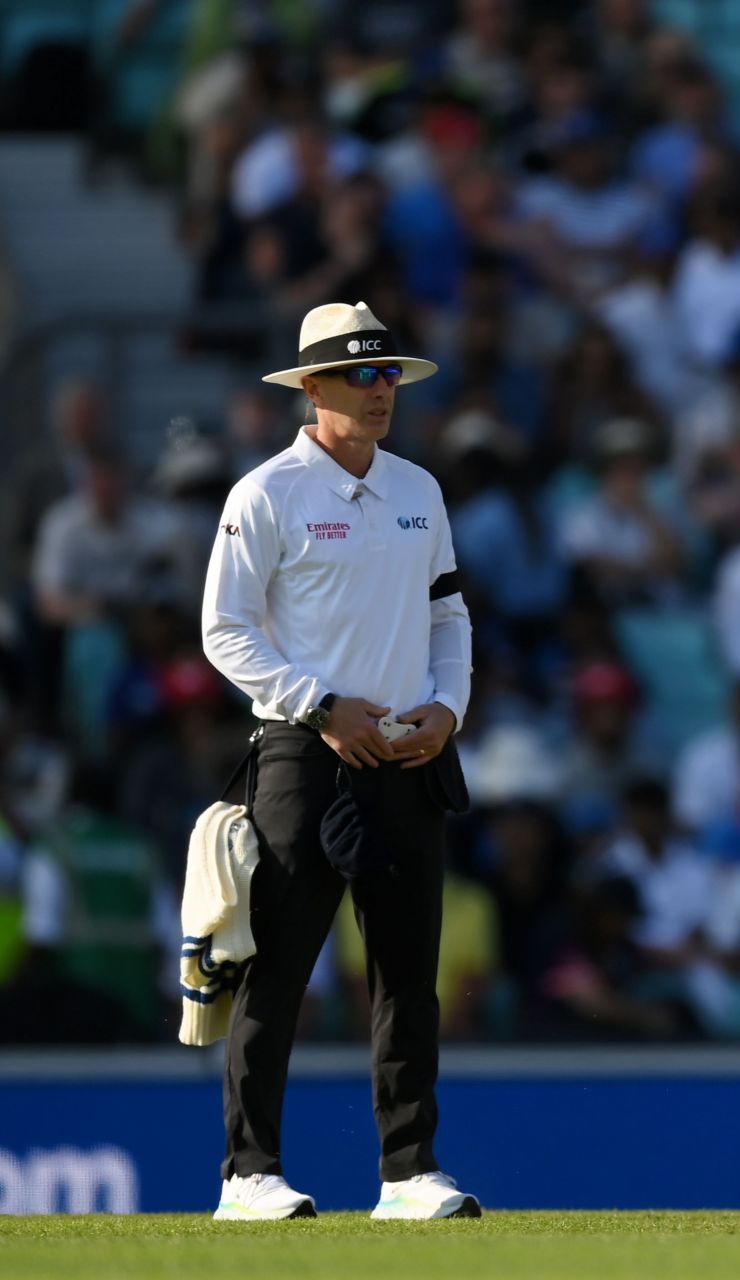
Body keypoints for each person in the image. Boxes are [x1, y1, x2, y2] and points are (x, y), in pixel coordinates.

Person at [200, 301, 479, 1221]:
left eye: (388, 372)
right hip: (304, 753)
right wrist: (319, 707)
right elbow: (224, 632)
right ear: (311, 388)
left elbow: (448, 614)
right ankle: (250, 1174)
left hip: (405, 752)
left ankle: (408, 1173)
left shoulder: (418, 491)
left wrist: (446, 706)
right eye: (360, 375)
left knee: (407, 972)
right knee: (277, 965)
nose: (379, 390)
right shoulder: (267, 493)